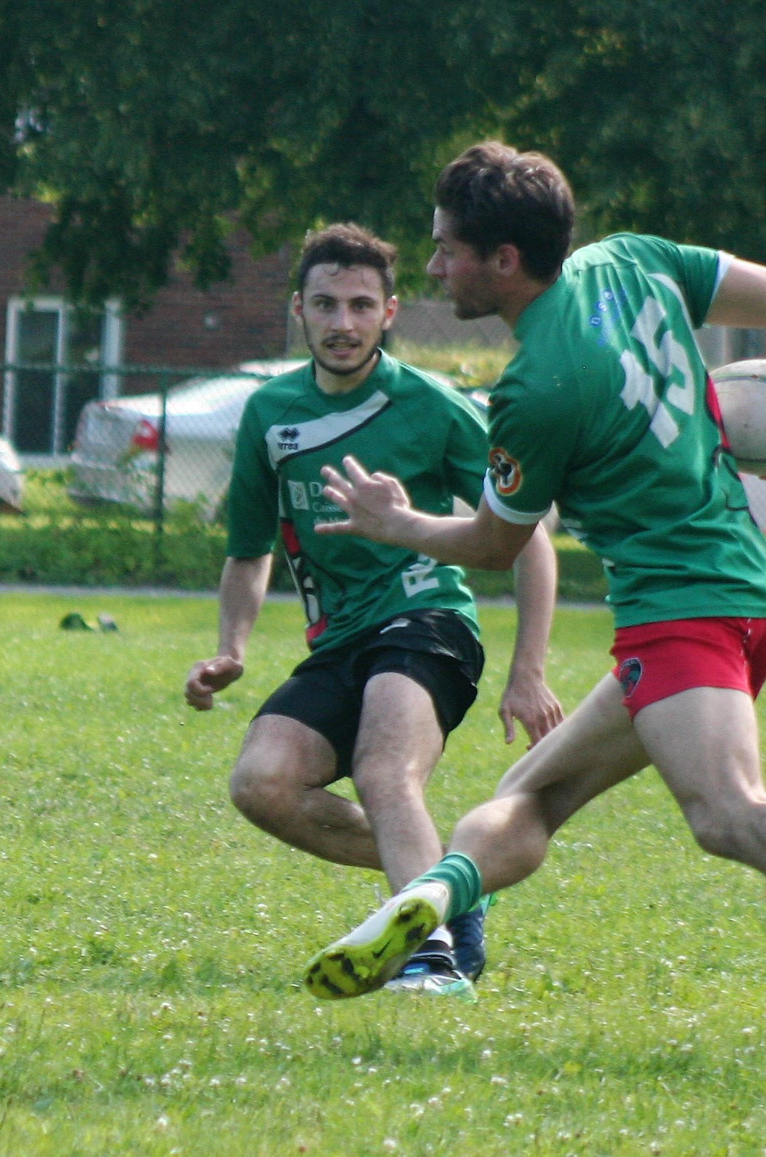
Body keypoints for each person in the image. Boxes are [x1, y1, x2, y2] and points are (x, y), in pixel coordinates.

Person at [301, 142, 766, 1084]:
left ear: (504, 261)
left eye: (447, 248)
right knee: (529, 796)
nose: (433, 265)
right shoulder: (631, 259)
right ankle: (438, 899)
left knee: (726, 809)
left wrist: (398, 521)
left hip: (685, 609)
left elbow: (498, 545)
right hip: (733, 591)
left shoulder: (536, 390)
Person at [185, 223, 563, 998]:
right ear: (300, 310)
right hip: (340, 640)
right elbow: (249, 551)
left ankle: (429, 961)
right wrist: (233, 646)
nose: (343, 322)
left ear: (390, 313)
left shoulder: (431, 406)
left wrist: (529, 670)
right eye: (325, 304)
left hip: (429, 625)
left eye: (361, 304)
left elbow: (532, 535)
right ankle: (451, 884)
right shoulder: (268, 413)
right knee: (261, 782)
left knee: (385, 768)